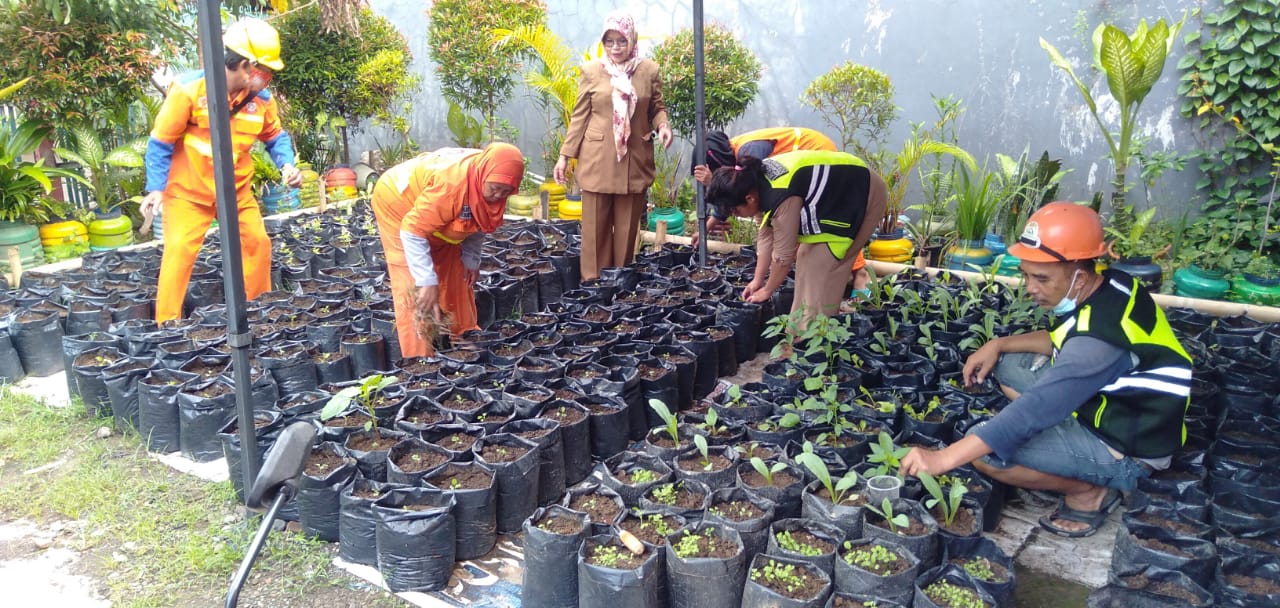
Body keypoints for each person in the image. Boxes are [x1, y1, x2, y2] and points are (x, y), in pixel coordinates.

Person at [899, 202, 1193, 538]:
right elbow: (1062, 338)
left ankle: (1088, 492)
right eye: (1025, 274)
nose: (1029, 287)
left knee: (987, 454)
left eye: (1041, 278)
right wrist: (998, 344)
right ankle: (1067, 436)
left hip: (1129, 446)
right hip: (1114, 407)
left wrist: (942, 459)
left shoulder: (1097, 344)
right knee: (1007, 363)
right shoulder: (1112, 285)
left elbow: (1035, 409)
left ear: (1079, 276)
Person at [142, 18, 302, 323]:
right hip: (189, 195)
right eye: (264, 71)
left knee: (257, 243)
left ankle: (259, 314)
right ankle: (167, 327)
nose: (267, 79)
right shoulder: (188, 92)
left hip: (237, 192)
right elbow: (160, 143)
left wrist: (287, 164)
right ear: (244, 65)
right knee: (178, 253)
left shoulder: (262, 102)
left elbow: (275, 137)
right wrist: (156, 188)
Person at [371, 144, 525, 358]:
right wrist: (426, 280)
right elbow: (413, 230)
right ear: (483, 175)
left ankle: (455, 343)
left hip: (433, 213)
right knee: (416, 290)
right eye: (494, 188)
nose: (498, 195)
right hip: (398, 204)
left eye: (506, 191)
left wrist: (471, 260)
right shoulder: (451, 186)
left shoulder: (490, 176)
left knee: (456, 275)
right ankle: (423, 363)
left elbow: (479, 220)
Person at [553, 11, 672, 281]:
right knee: (595, 227)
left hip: (634, 159)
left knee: (628, 227)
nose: (616, 48)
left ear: (632, 40)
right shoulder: (592, 71)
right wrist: (564, 156)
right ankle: (593, 283)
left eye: (621, 41)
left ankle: (620, 282)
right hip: (598, 158)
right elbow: (580, 116)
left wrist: (663, 126)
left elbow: (656, 108)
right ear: (603, 42)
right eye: (610, 42)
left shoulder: (648, 70)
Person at [704, 151, 886, 325]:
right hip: (833, 201)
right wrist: (758, 280)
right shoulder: (755, 184)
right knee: (805, 258)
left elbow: (783, 256)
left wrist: (767, 290)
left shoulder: (781, 195)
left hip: (862, 191)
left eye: (735, 211)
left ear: (749, 198)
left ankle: (818, 340)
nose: (736, 215)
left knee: (824, 267)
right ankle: (798, 332)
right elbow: (766, 237)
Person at [690, 128, 872, 296]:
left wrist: (768, 286)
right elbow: (740, 204)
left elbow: (744, 202)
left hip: (816, 154)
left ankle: (859, 275)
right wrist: (707, 227)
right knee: (795, 232)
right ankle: (831, 275)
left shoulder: (749, 152)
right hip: (797, 172)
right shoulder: (737, 159)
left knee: (831, 222)